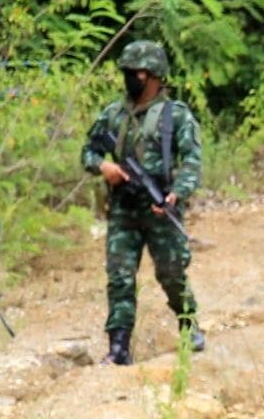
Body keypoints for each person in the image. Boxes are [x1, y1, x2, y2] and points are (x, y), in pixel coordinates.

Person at [80, 40, 204, 366]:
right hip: (123, 209)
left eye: (133, 73)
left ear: (151, 76)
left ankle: (189, 322)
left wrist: (178, 192)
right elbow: (88, 151)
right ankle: (118, 346)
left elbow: (191, 160)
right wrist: (104, 167)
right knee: (120, 277)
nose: (128, 79)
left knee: (171, 272)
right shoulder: (113, 114)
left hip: (160, 206)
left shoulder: (176, 116)